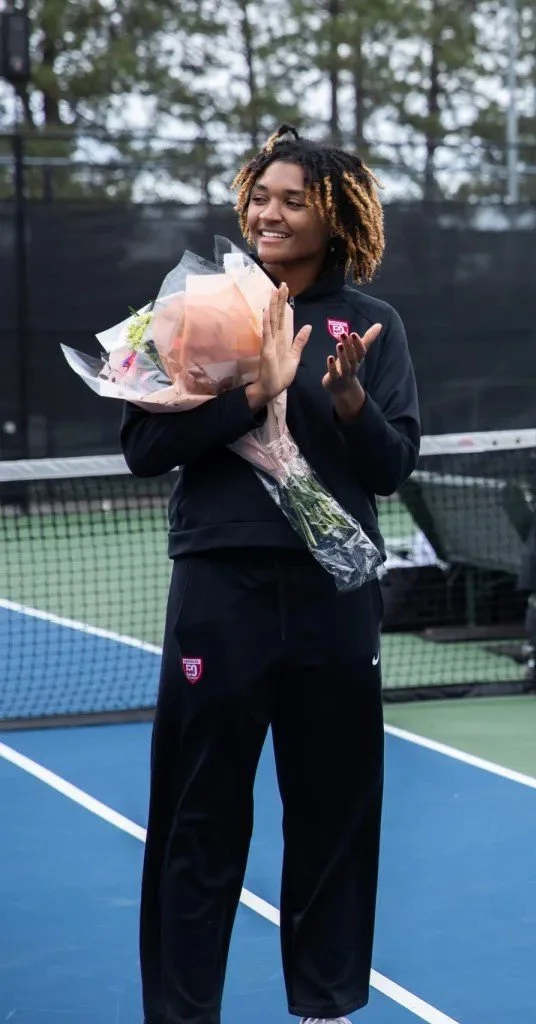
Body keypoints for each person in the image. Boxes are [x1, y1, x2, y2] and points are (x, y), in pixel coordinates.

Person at [124, 124, 420, 1024]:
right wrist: (253, 391)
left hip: (334, 599)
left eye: (294, 199)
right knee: (200, 814)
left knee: (332, 811)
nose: (270, 212)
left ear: (334, 217)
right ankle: (183, 1012)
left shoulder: (372, 324)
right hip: (222, 591)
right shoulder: (194, 312)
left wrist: (349, 403)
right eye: (261, 196)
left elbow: (391, 466)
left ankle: (325, 1006)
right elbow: (144, 445)